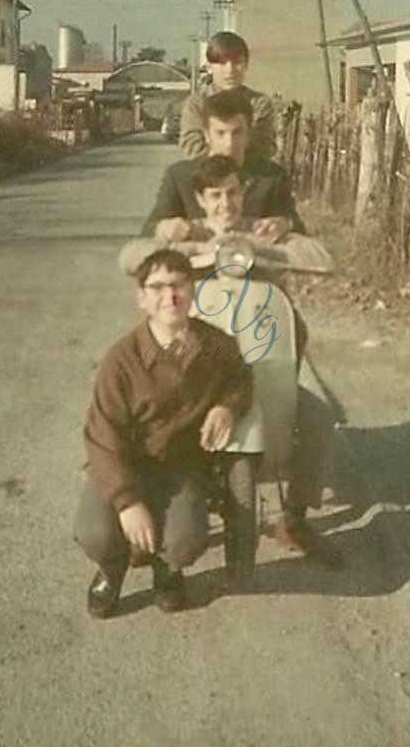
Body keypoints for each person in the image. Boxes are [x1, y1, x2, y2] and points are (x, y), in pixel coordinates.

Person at [121, 156, 344, 569]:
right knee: (157, 419)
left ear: (243, 194)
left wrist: (279, 237)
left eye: (233, 192)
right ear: (201, 200)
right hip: (204, 359)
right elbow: (131, 258)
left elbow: (324, 259)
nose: (226, 203)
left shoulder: (260, 231)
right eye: (216, 195)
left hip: (260, 352)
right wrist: (173, 239)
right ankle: (146, 515)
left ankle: (294, 517)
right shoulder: (191, 237)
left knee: (317, 418)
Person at [74, 248, 253, 618]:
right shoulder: (121, 359)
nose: (169, 297)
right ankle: (112, 567)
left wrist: (227, 407)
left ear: (192, 290)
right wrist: (127, 502)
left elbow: (241, 379)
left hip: (180, 467)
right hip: (126, 464)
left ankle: (167, 571)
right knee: (95, 532)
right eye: (156, 288)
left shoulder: (216, 344)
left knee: (185, 540)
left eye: (178, 285)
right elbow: (101, 434)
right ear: (142, 299)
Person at [141, 88, 304, 240]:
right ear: (206, 135)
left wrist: (283, 225)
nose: (229, 143)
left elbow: (297, 228)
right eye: (220, 133)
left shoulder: (270, 178)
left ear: (248, 134)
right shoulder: (180, 177)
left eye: (237, 132)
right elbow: (148, 231)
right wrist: (164, 228)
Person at [179, 31, 275, 161]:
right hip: (207, 174)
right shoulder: (196, 103)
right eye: (222, 63)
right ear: (209, 66)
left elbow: (264, 146)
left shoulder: (259, 103)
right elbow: (192, 146)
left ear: (246, 65)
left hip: (250, 175)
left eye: (237, 63)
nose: (230, 70)